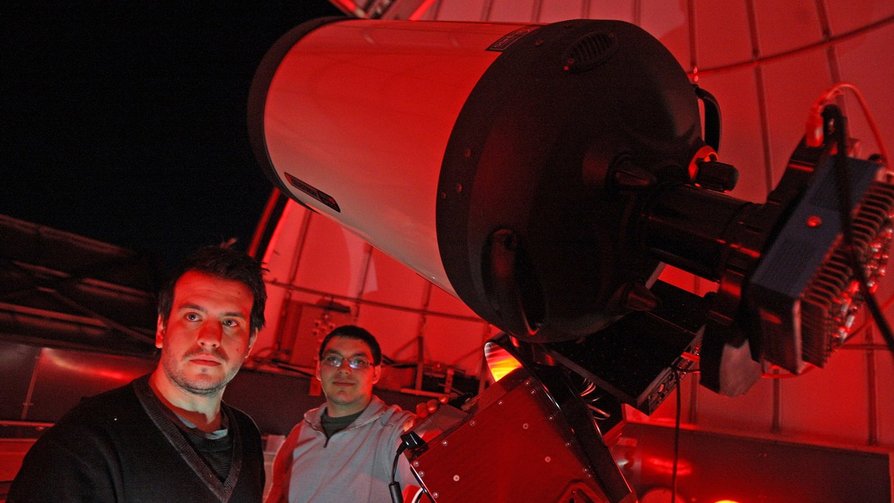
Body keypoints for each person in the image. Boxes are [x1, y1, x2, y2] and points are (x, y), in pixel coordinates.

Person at [9, 245, 268, 502]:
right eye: (192, 316)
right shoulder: (82, 446)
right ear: (161, 329)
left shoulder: (247, 435)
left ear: (250, 343)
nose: (210, 338)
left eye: (230, 322)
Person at [266, 325, 435, 503]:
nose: (344, 369)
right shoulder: (300, 432)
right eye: (333, 359)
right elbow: (277, 495)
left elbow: (446, 472)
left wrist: (439, 429)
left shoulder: (395, 432)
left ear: (376, 373)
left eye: (358, 362)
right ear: (318, 369)